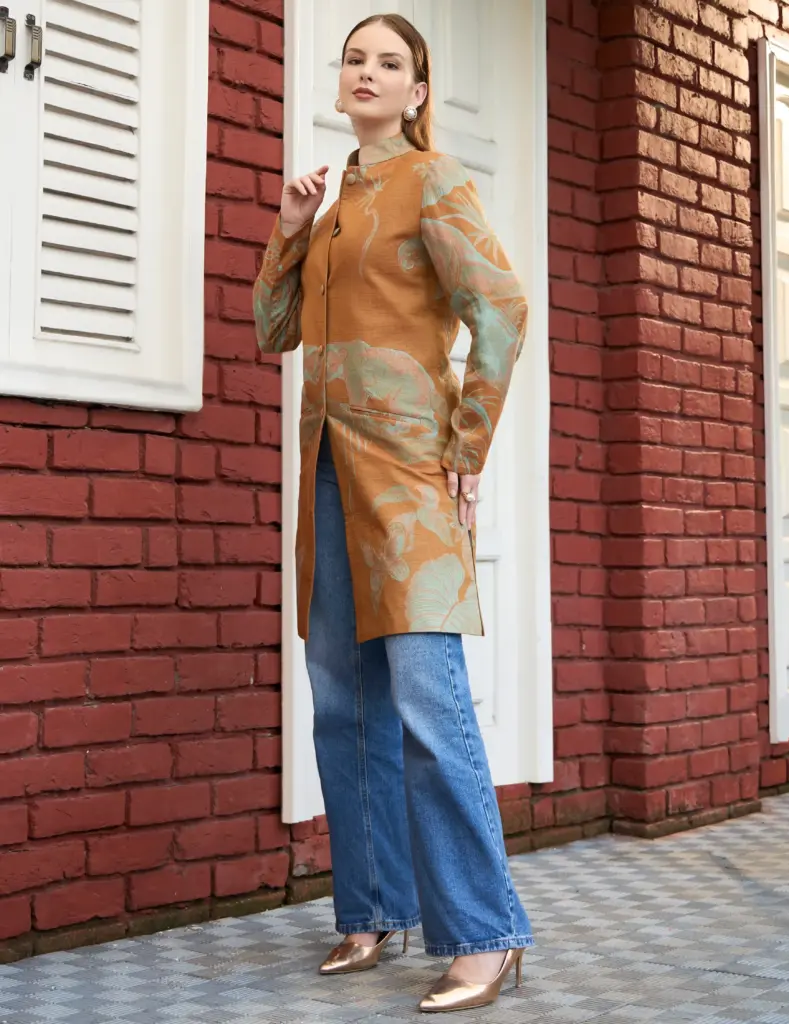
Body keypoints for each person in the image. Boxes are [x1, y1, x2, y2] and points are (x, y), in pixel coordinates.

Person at [253, 12, 533, 1014]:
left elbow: (502, 307)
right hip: (328, 470)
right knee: (344, 703)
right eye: (354, 59)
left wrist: (468, 449)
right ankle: (371, 911)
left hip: (410, 477)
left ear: (416, 91)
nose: (365, 73)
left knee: (425, 701)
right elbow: (273, 330)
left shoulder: (433, 180)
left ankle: (485, 934)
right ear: (341, 83)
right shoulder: (329, 205)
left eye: (388, 63)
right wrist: (290, 228)